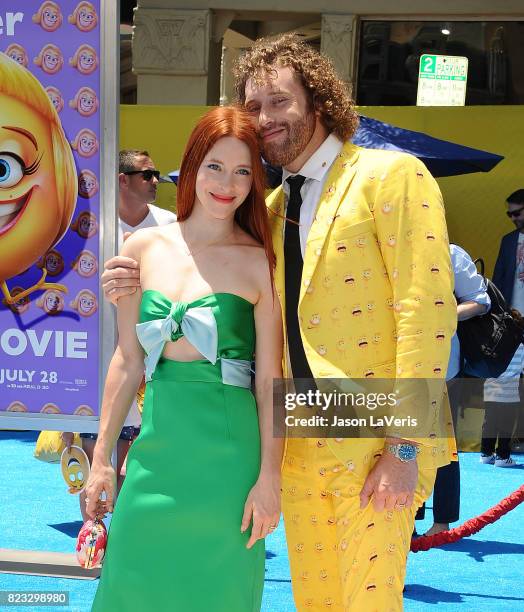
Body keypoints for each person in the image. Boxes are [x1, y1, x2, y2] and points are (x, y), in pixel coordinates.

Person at [102, 34, 456, 611]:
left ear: (318, 102)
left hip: (375, 434)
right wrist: (132, 288)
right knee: (315, 601)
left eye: (280, 102)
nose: (264, 118)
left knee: (367, 602)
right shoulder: (267, 211)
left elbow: (427, 314)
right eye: (254, 106)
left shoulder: (391, 176)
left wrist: (405, 449)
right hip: (295, 438)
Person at [85, 106, 283, 611]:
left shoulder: (260, 260)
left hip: (231, 463)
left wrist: (269, 479)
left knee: (219, 594)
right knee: (130, 590)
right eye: (215, 166)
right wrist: (102, 458)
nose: (227, 183)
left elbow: (268, 383)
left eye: (243, 171)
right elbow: (127, 360)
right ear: (192, 166)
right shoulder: (143, 247)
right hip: (155, 453)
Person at [62, 150, 176, 521]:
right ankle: (93, 531)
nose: (155, 181)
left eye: (156, 173)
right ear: (122, 179)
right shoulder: (87, 228)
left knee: (135, 450)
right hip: (98, 356)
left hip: (151, 355)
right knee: (95, 447)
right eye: (147, 174)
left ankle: (124, 533)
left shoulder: (171, 226)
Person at [416, 244, 490, 536]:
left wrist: (445, 316)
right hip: (389, 363)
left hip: (442, 363)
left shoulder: (450, 253)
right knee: (400, 441)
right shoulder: (379, 245)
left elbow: (480, 300)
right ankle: (405, 519)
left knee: (443, 445)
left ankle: (442, 521)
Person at [493, 189, 524, 311]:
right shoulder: (508, 240)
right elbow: (498, 278)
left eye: (516, 213)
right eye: (509, 214)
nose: (512, 219)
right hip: (512, 317)